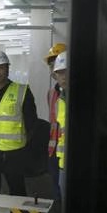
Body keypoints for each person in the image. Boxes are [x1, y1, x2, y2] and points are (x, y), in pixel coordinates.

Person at [0, 50, 38, 196]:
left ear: (8, 68)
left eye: (1, 67)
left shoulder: (22, 91)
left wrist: (23, 143)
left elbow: (31, 122)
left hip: (14, 152)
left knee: (17, 190)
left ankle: (17, 212)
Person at [44, 43, 67, 198]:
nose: (54, 69)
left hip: (69, 152)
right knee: (56, 189)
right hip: (54, 150)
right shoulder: (51, 93)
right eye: (52, 65)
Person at [52, 52, 68, 193]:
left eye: (67, 71)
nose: (64, 76)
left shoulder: (89, 97)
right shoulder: (60, 100)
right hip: (63, 162)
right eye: (60, 72)